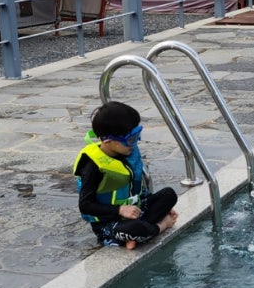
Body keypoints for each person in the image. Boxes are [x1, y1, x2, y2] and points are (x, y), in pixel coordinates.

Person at [74, 101, 178, 251]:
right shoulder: (93, 166)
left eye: (137, 135)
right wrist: (119, 210)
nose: (136, 143)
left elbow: (137, 190)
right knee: (136, 228)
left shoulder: (126, 152)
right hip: (109, 223)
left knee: (169, 194)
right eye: (131, 139)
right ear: (108, 141)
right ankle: (160, 226)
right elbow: (85, 205)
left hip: (136, 210)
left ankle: (136, 236)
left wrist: (157, 206)